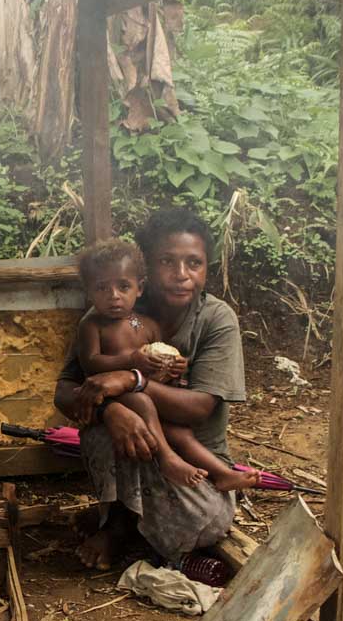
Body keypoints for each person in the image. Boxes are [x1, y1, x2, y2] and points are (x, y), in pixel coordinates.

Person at [54, 209, 247, 570]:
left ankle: (129, 527)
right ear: (145, 273)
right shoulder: (112, 312)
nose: (181, 275)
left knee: (205, 517)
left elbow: (199, 408)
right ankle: (121, 526)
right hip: (137, 446)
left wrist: (131, 380)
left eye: (195, 263)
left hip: (194, 462)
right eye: (167, 262)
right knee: (105, 427)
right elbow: (66, 391)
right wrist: (110, 410)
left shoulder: (215, 319)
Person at [72, 237, 257, 493]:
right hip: (118, 398)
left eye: (123, 286)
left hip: (148, 398)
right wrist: (131, 362)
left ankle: (222, 473)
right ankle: (167, 459)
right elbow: (91, 364)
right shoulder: (92, 324)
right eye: (102, 288)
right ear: (88, 292)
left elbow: (159, 369)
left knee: (180, 433)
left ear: (139, 287)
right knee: (142, 403)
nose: (113, 296)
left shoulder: (143, 322)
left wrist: (174, 371)